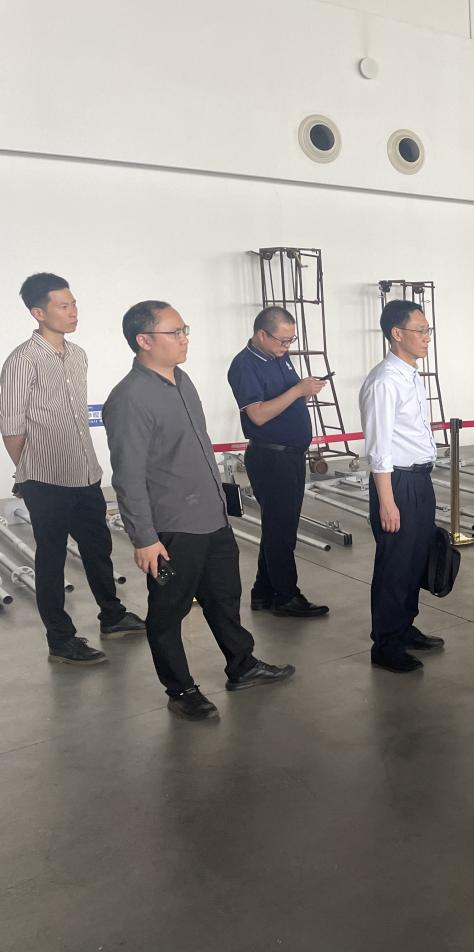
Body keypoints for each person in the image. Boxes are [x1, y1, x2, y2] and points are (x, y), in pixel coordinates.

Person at [103, 300, 295, 721]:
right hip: (173, 527)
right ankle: (181, 689)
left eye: (184, 329)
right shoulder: (129, 398)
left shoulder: (182, 380)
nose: (184, 338)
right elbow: (128, 476)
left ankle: (242, 665)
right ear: (144, 340)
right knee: (168, 611)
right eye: (175, 332)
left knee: (224, 597)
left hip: (211, 515)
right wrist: (144, 538)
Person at [0, 273, 145, 666]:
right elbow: (11, 427)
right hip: (46, 480)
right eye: (63, 306)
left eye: (74, 303)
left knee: (98, 548)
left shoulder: (77, 354)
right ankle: (61, 641)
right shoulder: (22, 361)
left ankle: (112, 616)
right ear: (38, 312)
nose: (73, 311)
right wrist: (29, 473)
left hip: (85, 474)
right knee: (50, 559)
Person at [358, 299, 446, 673]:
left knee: (415, 560)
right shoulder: (384, 382)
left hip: (419, 479)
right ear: (396, 334)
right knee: (394, 565)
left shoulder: (410, 375)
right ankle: (386, 644)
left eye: (428, 330)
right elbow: (378, 449)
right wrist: (387, 501)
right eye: (420, 330)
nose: (427, 337)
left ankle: (404, 626)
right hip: (397, 482)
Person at [227, 306, 329, 618]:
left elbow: (286, 400)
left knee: (278, 526)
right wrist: (298, 390)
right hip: (271, 457)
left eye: (290, 340)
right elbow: (257, 415)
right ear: (262, 334)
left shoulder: (278, 357)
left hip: (290, 455)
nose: (287, 346)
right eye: (282, 340)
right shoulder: (245, 365)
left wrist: (304, 391)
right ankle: (286, 596)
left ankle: (263, 591)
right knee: (281, 530)